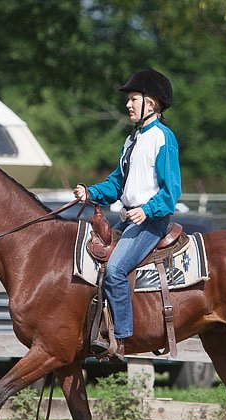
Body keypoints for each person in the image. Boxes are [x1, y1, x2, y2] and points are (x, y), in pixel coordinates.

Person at [74, 68, 182, 359]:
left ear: (152, 103)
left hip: (152, 222)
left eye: (134, 99)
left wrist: (146, 211)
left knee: (117, 269)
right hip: (132, 218)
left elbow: (171, 193)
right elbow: (117, 183)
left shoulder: (163, 138)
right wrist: (90, 192)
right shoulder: (132, 140)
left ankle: (121, 339)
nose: (128, 104)